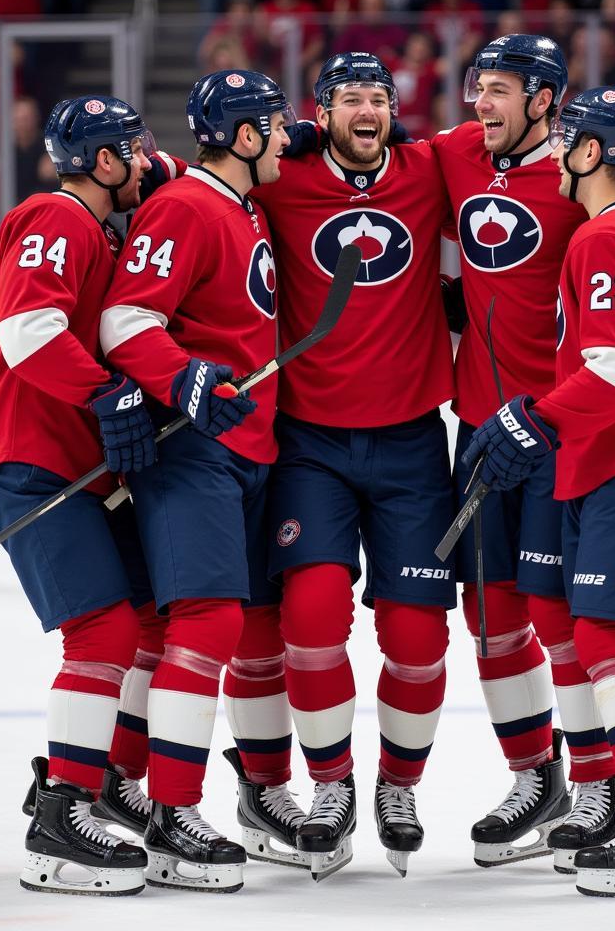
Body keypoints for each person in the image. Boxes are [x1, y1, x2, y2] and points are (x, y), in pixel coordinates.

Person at [429, 33, 615, 870]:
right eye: (474, 84)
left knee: (580, 625)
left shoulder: (601, 202)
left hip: (571, 431)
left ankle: (610, 793)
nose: (479, 103)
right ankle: (542, 778)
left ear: (549, 104)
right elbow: (373, 159)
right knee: (493, 619)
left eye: (497, 88)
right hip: (499, 425)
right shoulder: (461, 154)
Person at [247, 52, 457, 879]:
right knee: (312, 612)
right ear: (322, 111)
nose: (366, 109)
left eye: (379, 97)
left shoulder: (429, 166)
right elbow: (203, 180)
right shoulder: (282, 177)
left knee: (414, 634)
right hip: (310, 444)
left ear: (393, 112)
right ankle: (330, 783)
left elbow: (536, 149)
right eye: (349, 98)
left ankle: (398, 787)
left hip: (411, 443)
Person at [0, 95, 162, 897]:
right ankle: (62, 813)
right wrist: (110, 396)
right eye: (135, 151)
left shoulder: (95, 222)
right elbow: (28, 331)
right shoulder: (61, 215)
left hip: (65, 458)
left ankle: (109, 777)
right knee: (104, 627)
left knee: (148, 615)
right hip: (25, 453)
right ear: (104, 161)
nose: (146, 162)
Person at [98, 70, 292, 893]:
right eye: (276, 127)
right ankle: (172, 816)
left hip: (244, 448)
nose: (289, 138)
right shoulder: (187, 206)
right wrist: (184, 380)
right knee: (205, 624)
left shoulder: (238, 199)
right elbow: (126, 320)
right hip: (194, 446)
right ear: (245, 138)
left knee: (217, 624)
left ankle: (123, 784)